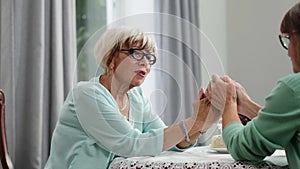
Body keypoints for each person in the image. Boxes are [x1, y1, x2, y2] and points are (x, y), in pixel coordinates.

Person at [44, 27, 220, 169]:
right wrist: (193, 121)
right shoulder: (86, 94)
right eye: (136, 53)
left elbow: (167, 142)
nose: (145, 62)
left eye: (150, 57)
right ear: (111, 57)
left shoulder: (136, 97)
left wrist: (202, 124)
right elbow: (130, 144)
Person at [207, 2, 300, 168]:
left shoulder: (293, 88)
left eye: (289, 40)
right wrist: (246, 106)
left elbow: (242, 147)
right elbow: (286, 130)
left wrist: (228, 102)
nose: (288, 52)